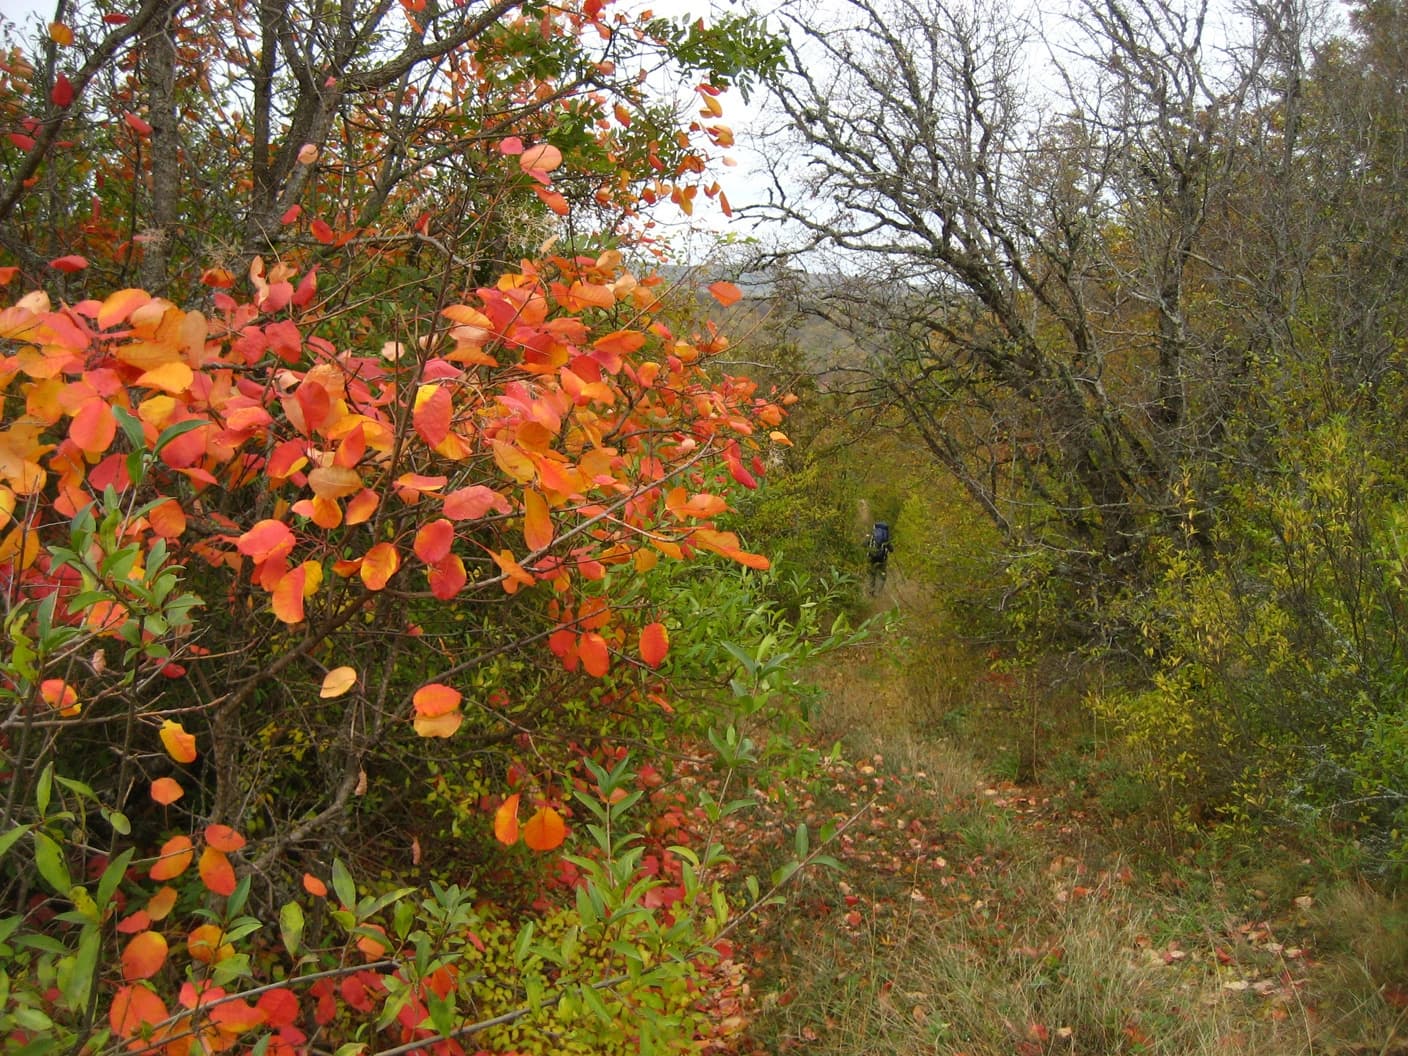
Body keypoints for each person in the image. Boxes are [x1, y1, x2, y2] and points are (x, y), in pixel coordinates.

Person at [866, 521, 893, 594]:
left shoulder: (872, 536)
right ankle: (877, 593)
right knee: (882, 576)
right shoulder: (885, 538)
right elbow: (891, 549)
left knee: (871, 574)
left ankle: (871, 590)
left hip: (871, 558)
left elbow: (865, 544)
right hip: (882, 560)